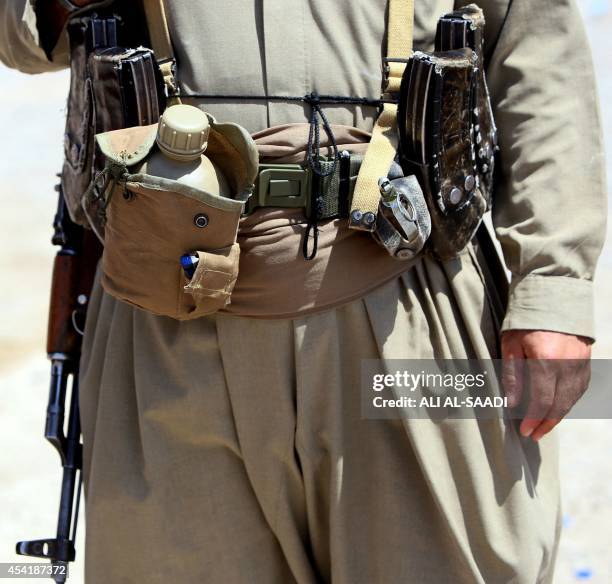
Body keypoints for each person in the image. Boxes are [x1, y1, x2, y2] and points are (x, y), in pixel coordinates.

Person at [0, 0, 606, 582]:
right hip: (165, 324)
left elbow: (535, 49)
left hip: (414, 308)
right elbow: (21, 40)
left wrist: (553, 286)